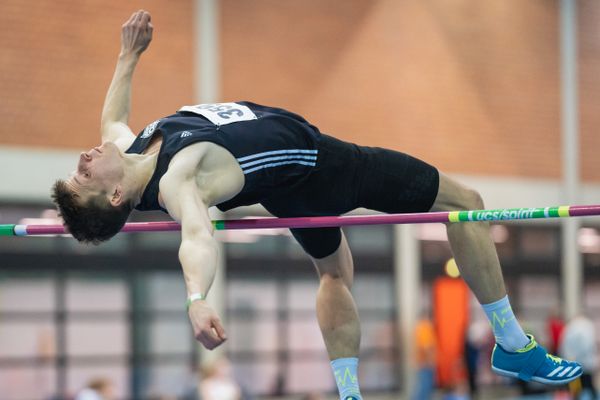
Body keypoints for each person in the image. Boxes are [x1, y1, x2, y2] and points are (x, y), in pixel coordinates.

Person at [51, 10, 582, 400]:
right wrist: (197, 300)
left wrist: (128, 55)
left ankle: (348, 393)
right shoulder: (175, 182)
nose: (84, 155)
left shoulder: (132, 149)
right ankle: (512, 341)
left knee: (334, 274)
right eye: (83, 173)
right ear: (115, 195)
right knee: (464, 203)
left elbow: (111, 120)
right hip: (331, 167)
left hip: (291, 189)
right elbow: (196, 237)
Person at [560, 314, 598, 400]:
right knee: (584, 385)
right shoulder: (582, 327)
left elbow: (565, 345)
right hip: (583, 362)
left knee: (584, 385)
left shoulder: (573, 328)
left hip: (580, 362)